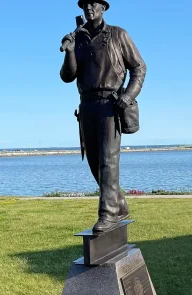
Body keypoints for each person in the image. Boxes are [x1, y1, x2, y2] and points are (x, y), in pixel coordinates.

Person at [60, 0, 146, 233]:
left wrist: (127, 96)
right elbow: (68, 76)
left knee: (108, 161)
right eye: (84, 4)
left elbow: (139, 67)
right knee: (95, 164)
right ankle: (120, 205)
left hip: (111, 105)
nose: (89, 7)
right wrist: (69, 52)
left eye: (94, 3)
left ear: (103, 8)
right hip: (87, 106)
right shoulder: (77, 37)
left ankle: (108, 215)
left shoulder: (118, 34)